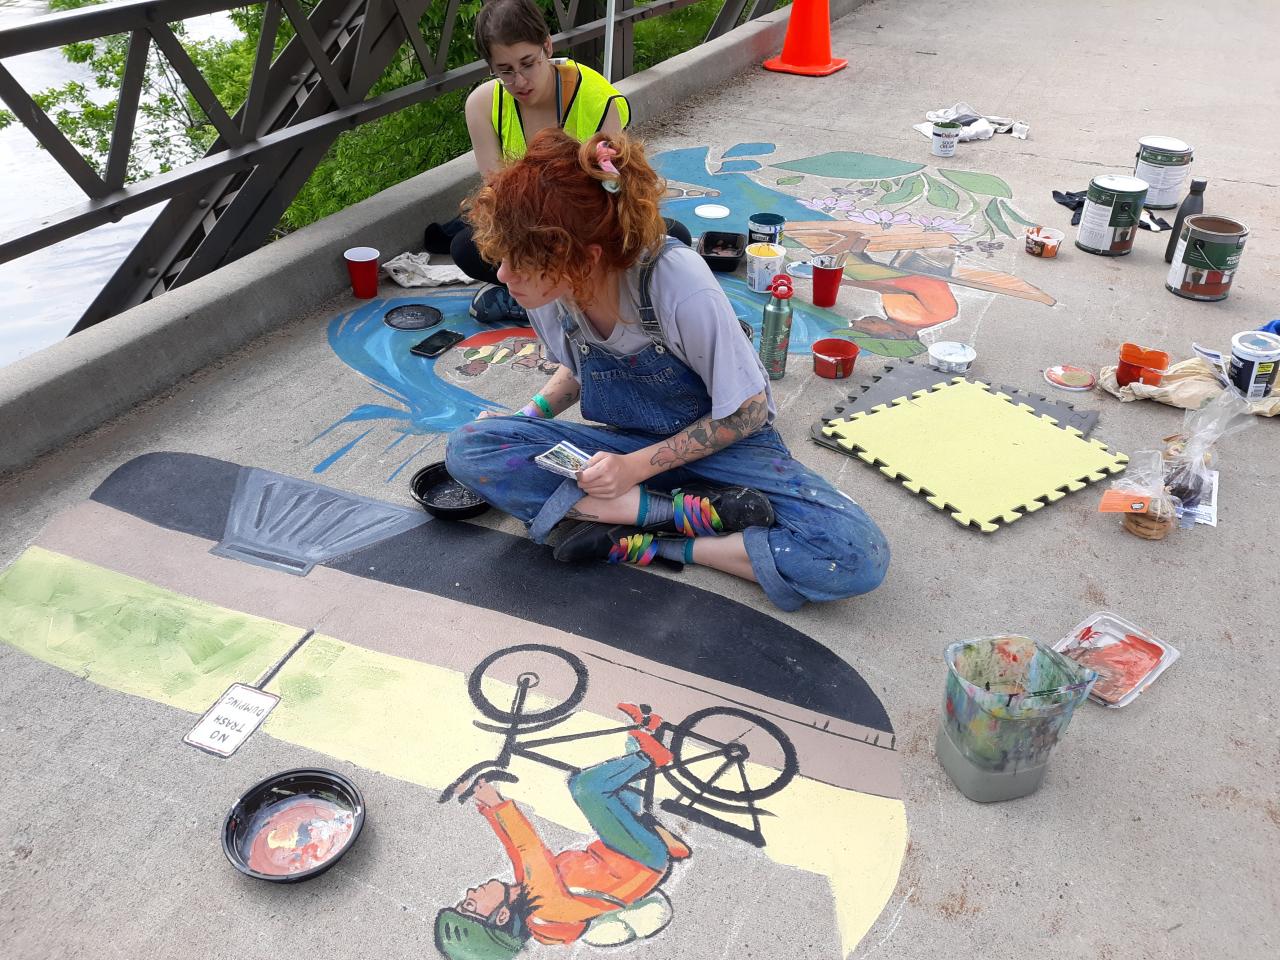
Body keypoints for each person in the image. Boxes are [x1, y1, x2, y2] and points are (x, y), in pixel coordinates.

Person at [444, 129, 888, 612]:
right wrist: (528, 417)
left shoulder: (677, 282)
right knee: (471, 447)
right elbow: (581, 369)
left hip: (727, 451)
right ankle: (685, 513)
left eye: (520, 261)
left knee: (852, 554)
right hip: (627, 449)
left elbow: (748, 412)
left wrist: (631, 470)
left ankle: (650, 538)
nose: (504, 275)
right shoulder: (547, 291)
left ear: (584, 257)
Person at [426, 0, 663, 325]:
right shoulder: (482, 104)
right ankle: (562, 298)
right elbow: (497, 197)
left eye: (528, 63)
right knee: (466, 247)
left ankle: (534, 300)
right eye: (505, 71)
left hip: (582, 226)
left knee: (660, 240)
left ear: (547, 46)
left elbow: (614, 191)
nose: (520, 81)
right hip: (524, 227)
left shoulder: (597, 99)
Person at [434, 704, 689, 958]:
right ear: (501, 916)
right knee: (586, 788)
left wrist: (489, 807)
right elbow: (529, 850)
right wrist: (496, 802)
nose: (469, 893)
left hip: (620, 853)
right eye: (470, 904)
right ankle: (651, 756)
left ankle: (646, 728)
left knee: (622, 793)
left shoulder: (530, 898)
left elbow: (514, 848)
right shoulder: (544, 906)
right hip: (637, 857)